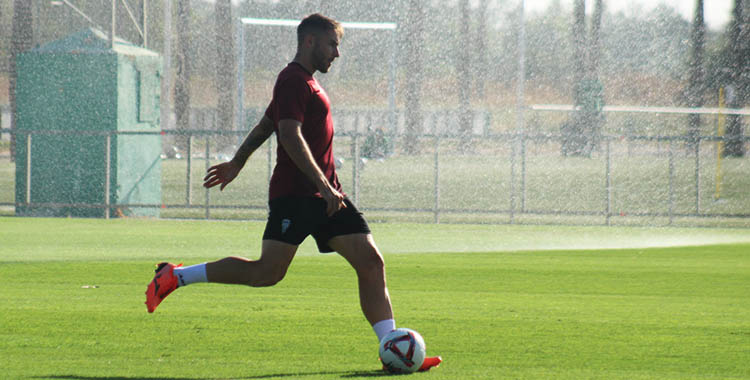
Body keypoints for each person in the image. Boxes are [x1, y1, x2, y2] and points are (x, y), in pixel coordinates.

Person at [145, 13, 441, 372]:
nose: (337, 53)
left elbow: (265, 125)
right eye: (333, 45)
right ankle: (174, 277)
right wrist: (322, 185)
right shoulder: (292, 80)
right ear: (310, 42)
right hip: (298, 196)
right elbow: (287, 133)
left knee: (371, 262)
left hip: (327, 195)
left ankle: (394, 348)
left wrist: (237, 161)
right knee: (266, 273)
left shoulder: (306, 83)